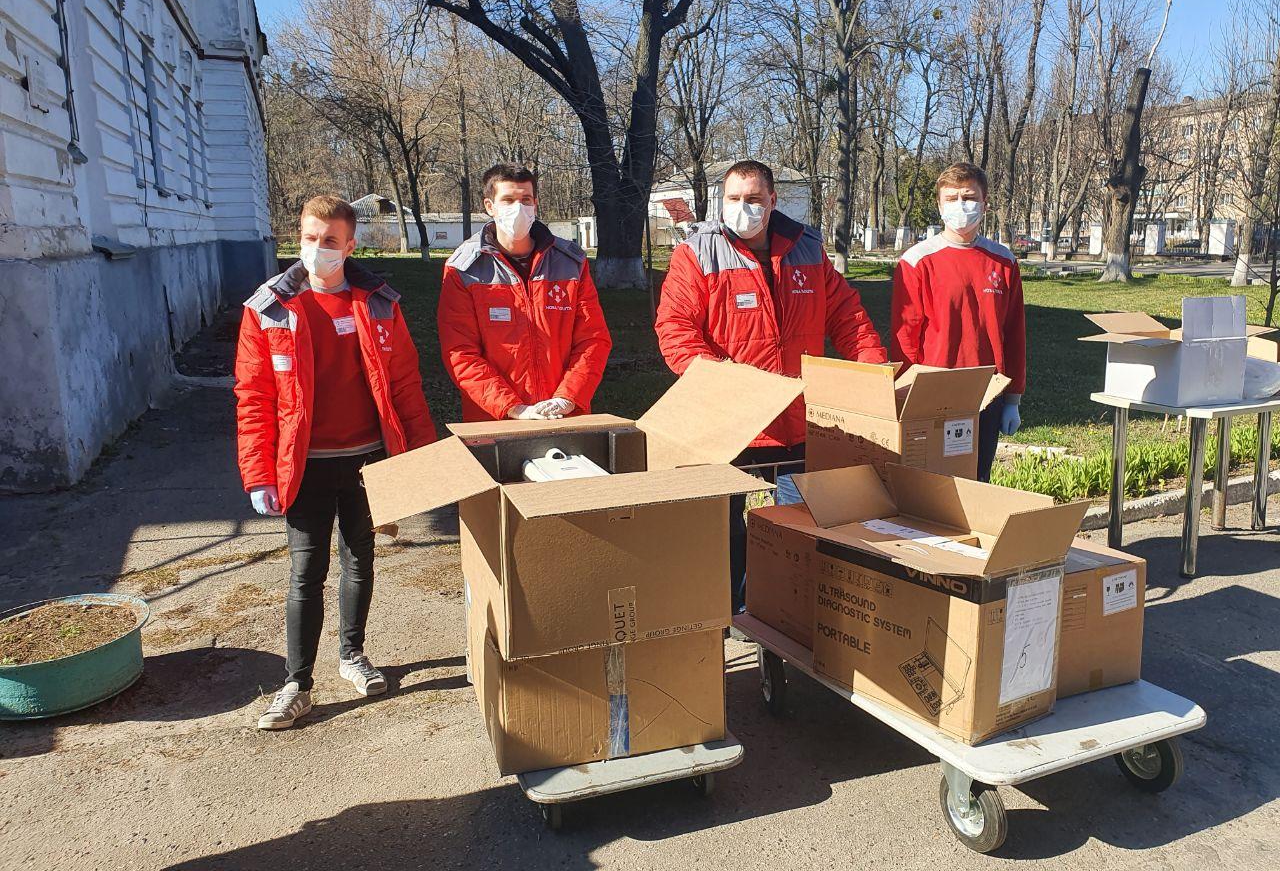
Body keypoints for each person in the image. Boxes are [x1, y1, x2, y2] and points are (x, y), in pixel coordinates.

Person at [235, 195, 437, 730]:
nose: (318, 250)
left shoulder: (377, 304)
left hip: (366, 461)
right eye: (309, 238)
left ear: (350, 245)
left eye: (330, 240)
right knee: (306, 572)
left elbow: (405, 386)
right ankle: (297, 684)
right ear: (296, 239)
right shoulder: (269, 309)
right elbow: (253, 397)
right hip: (305, 466)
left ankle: (352, 654)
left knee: (360, 561)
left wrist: (418, 458)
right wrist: (258, 473)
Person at [655, 159, 887, 615]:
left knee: (797, 528)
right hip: (729, 423)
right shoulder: (696, 254)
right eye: (734, 200)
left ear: (773, 201)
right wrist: (732, 385)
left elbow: (849, 319)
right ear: (722, 202)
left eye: (754, 199)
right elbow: (676, 331)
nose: (744, 209)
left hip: (799, 422)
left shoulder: (807, 251)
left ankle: (788, 613)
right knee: (723, 530)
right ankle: (727, 611)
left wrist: (874, 375)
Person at [438, 163, 612, 421]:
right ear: (490, 206)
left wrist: (568, 396)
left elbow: (593, 339)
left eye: (525, 199)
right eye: (508, 200)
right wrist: (513, 408)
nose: (518, 208)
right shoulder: (464, 268)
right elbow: (460, 352)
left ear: (535, 204)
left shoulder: (570, 262)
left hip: (564, 415)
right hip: (495, 419)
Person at [890, 162, 1026, 482]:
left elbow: (1014, 334)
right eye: (951, 199)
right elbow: (904, 335)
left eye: (968, 197)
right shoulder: (917, 261)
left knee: (977, 481)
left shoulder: (1004, 262)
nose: (960, 205)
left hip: (986, 393)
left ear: (984, 203)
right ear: (939, 206)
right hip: (932, 394)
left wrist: (1013, 399)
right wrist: (902, 394)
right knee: (930, 488)